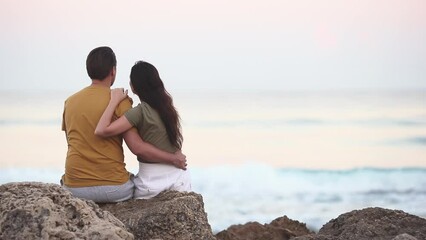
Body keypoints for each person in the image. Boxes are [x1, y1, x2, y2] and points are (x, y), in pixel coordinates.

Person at [61, 47, 187, 203]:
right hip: (113, 188)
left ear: (88, 70)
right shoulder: (121, 102)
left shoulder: (70, 102)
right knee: (137, 185)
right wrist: (174, 158)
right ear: (113, 71)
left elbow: (71, 143)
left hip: (75, 188)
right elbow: (137, 147)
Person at [95, 60, 191, 199]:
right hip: (180, 178)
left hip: (151, 184)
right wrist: (174, 159)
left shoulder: (139, 112)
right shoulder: (168, 109)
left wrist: (114, 101)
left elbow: (101, 130)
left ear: (133, 87)